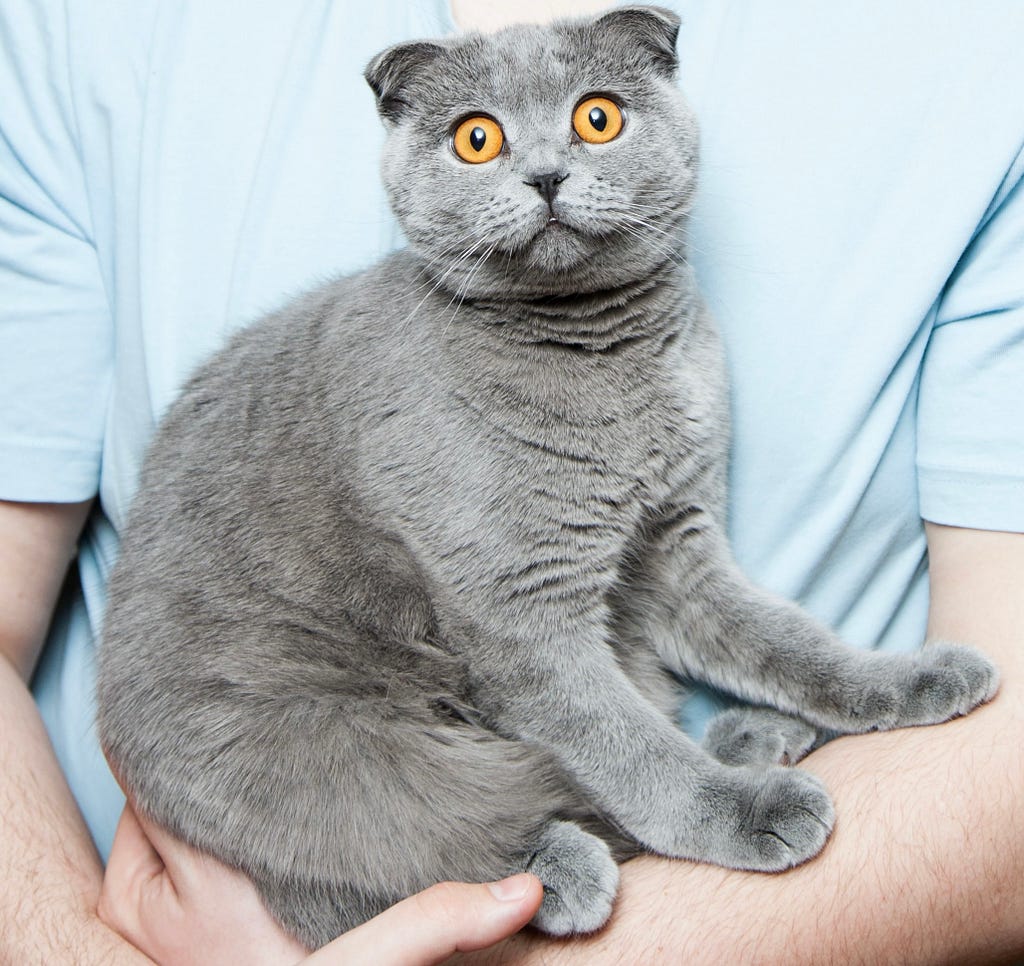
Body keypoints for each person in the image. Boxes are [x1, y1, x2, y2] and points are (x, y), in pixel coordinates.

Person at [1, 0, 1022, 962]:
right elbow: (524, 643)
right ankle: (577, 832)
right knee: (491, 698)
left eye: (595, 117)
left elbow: (677, 575)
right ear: (406, 142)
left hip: (551, 798)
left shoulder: (962, 51)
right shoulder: (87, 31)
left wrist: (853, 688)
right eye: (479, 140)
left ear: (665, 92)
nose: (543, 167)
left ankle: (623, 819)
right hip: (308, 738)